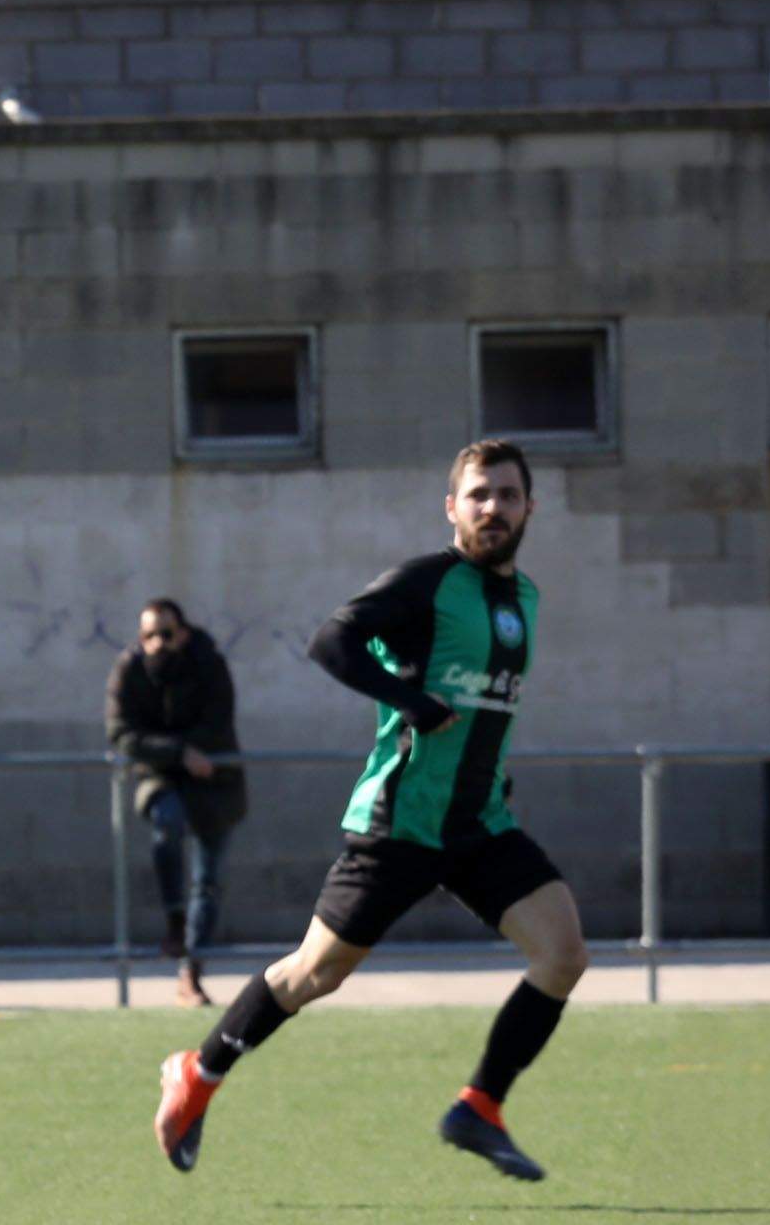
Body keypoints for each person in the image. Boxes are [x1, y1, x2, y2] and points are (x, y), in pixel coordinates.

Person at [159, 439, 583, 1183]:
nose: (493, 507)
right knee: (313, 975)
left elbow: (490, 708)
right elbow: (331, 642)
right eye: (478, 494)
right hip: (400, 823)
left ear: (529, 508)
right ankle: (198, 1072)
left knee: (563, 953)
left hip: (479, 824)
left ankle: (479, 1107)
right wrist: (413, 702)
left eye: (508, 495)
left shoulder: (529, 600)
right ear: (451, 507)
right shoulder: (426, 583)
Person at [107, 598, 243, 1009]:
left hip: (214, 779)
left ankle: (192, 972)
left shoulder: (209, 664)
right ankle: (174, 919)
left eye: (165, 634)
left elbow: (219, 721)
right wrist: (178, 753)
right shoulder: (129, 668)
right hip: (163, 776)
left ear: (182, 634)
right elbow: (121, 732)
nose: (156, 643)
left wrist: (195, 752)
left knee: (209, 880)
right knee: (166, 823)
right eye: (147, 635)